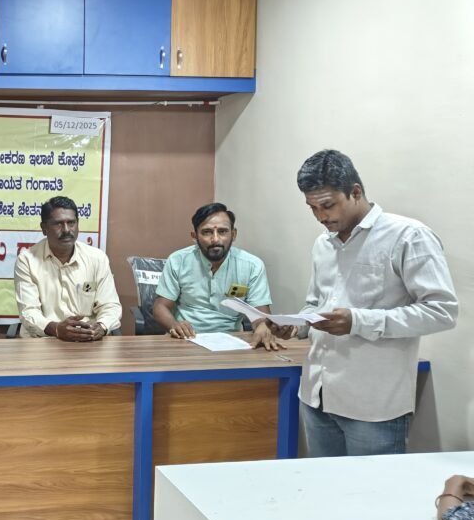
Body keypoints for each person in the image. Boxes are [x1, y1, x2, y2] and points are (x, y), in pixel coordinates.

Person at [271, 149, 458, 456]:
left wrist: (359, 321)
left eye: (327, 205)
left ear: (355, 192)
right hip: (317, 395)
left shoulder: (408, 236)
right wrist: (296, 325)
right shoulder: (323, 243)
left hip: (373, 406)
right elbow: (316, 303)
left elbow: (442, 311)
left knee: (373, 487)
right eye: (312, 207)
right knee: (325, 484)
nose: (320, 216)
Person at [154, 202, 280, 350]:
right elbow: (160, 306)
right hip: (185, 339)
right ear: (194, 236)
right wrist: (174, 325)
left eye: (222, 231)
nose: (215, 239)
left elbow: (260, 314)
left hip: (232, 341)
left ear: (233, 234)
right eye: (207, 232)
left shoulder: (252, 266)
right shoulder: (178, 260)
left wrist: (262, 325)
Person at [14, 196, 121, 341]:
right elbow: (29, 312)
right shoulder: (27, 261)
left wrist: (102, 326)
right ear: (44, 228)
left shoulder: (97, 259)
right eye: (58, 224)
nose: (66, 230)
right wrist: (57, 329)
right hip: (44, 340)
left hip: (88, 340)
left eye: (71, 223)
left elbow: (110, 305)